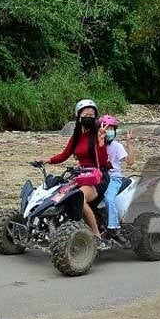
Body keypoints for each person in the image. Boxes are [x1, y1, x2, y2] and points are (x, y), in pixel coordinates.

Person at [41, 99, 109, 240]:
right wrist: (48, 160)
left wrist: (101, 143)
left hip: (97, 177)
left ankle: (96, 235)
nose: (88, 118)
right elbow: (64, 154)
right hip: (80, 175)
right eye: (86, 115)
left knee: (80, 198)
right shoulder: (77, 136)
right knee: (58, 194)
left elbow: (103, 162)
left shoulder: (98, 134)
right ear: (78, 116)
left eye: (92, 116)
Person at [99, 115, 135, 239]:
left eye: (112, 129)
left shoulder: (117, 146)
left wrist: (129, 143)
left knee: (109, 197)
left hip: (114, 178)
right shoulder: (96, 145)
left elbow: (130, 162)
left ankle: (114, 227)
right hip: (98, 177)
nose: (109, 131)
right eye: (106, 128)